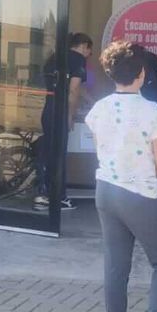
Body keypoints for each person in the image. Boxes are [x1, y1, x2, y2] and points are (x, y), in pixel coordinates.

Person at [85, 41, 157, 312]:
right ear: (142, 74)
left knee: (116, 267)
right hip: (141, 195)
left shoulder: (98, 109)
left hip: (105, 191)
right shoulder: (153, 112)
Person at [34, 33, 93, 212]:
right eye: (89, 52)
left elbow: (76, 89)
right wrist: (70, 115)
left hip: (48, 109)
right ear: (83, 46)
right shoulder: (78, 59)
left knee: (49, 151)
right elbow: (73, 90)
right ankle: (57, 198)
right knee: (59, 155)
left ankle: (42, 193)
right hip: (60, 112)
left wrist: (93, 102)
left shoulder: (54, 58)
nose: (88, 56)